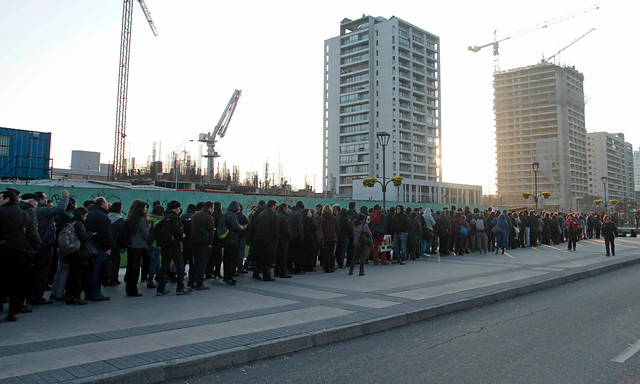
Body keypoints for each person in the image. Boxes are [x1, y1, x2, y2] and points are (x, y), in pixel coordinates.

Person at [0, 190, 36, 321]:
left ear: (7, 199)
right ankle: (14, 311)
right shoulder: (24, 214)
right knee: (17, 282)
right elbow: (32, 233)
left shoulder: (1, 212)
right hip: (20, 250)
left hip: (3, 249)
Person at [29, 190, 69, 305]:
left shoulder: (36, 211)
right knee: (41, 271)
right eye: (44, 198)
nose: (46, 199)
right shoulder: (42, 211)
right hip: (44, 244)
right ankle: (37, 296)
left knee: (38, 271)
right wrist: (65, 197)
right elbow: (60, 209)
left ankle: (34, 295)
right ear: (39, 200)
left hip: (40, 244)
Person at [156, 200, 189, 295]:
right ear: (176, 208)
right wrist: (183, 236)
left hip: (165, 245)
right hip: (174, 245)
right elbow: (177, 230)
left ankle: (161, 288)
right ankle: (180, 288)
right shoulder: (174, 218)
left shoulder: (165, 217)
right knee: (180, 266)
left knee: (165, 266)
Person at [50, 198, 77, 301]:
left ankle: (55, 291)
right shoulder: (68, 218)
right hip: (66, 246)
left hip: (59, 245)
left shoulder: (59, 217)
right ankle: (60, 292)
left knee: (60, 269)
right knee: (65, 269)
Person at [64, 207, 93, 306]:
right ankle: (76, 296)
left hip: (72, 251)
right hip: (79, 252)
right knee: (78, 276)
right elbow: (83, 237)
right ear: (82, 215)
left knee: (72, 275)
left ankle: (69, 295)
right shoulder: (79, 224)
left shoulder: (71, 222)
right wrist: (90, 234)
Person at [85, 197, 112, 301]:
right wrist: (108, 247)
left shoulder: (91, 214)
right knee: (97, 271)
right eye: (105, 202)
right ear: (102, 203)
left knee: (90, 271)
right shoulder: (102, 216)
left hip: (91, 246)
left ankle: (89, 293)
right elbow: (106, 234)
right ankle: (96, 293)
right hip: (100, 247)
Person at [124, 200, 149, 297]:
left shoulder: (131, 218)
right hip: (139, 245)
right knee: (135, 268)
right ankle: (133, 289)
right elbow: (145, 233)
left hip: (131, 244)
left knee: (131, 267)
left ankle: (129, 288)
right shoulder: (141, 219)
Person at [189, 201, 214, 290]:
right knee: (202, 264)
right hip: (204, 243)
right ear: (209, 208)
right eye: (212, 208)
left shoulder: (195, 215)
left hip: (194, 242)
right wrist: (210, 243)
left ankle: (191, 282)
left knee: (196, 263)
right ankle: (199, 283)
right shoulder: (208, 217)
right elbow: (211, 231)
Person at [220, 201, 246, 286]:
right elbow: (236, 227)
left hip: (226, 239)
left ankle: (226, 276)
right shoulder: (232, 215)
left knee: (227, 259)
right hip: (233, 240)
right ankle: (229, 277)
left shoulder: (225, 214)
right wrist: (243, 227)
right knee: (232, 260)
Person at [253, 200, 278, 281]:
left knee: (259, 257)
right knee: (267, 259)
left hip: (259, 238)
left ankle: (256, 273)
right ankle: (266, 276)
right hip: (269, 240)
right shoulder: (273, 215)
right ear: (273, 206)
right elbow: (274, 229)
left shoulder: (261, 214)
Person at [106, 202, 125, 286]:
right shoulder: (119, 219)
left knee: (112, 261)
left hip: (109, 241)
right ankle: (112, 278)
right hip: (115, 242)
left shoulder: (108, 216)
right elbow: (122, 232)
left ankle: (111, 278)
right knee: (115, 261)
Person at [146, 204, 164, 287]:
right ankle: (150, 279)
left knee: (155, 261)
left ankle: (159, 276)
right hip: (156, 243)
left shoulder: (148, 219)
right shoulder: (158, 221)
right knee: (154, 261)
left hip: (149, 242)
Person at [319, 204, 339, 273]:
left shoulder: (321, 217)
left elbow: (319, 227)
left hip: (324, 237)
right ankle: (332, 267)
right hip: (333, 237)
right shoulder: (334, 218)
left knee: (326, 253)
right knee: (331, 253)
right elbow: (337, 228)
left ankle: (327, 268)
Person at [287, 201, 305, 274]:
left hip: (290, 236)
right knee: (297, 254)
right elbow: (300, 226)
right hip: (296, 236)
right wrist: (301, 237)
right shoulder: (299, 214)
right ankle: (297, 270)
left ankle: (289, 269)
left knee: (290, 254)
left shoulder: (290, 213)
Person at [276, 203, 292, 278]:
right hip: (284, 239)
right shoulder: (285, 217)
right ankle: (283, 272)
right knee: (283, 256)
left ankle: (277, 271)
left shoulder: (278, 216)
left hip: (279, 238)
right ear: (284, 208)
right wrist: (290, 236)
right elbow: (286, 230)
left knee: (278, 256)